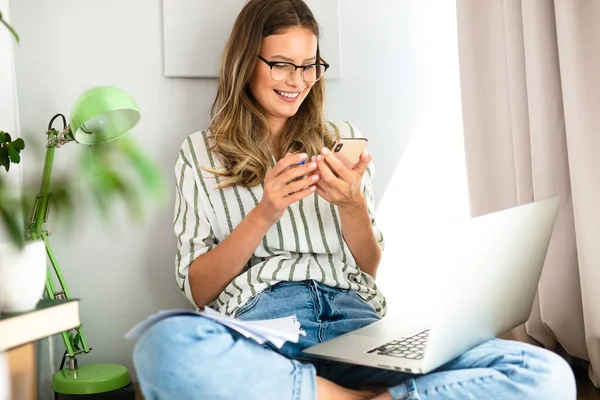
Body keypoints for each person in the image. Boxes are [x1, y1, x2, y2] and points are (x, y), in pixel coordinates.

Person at [132, 0, 576, 398]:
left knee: (542, 371)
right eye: (282, 64)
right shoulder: (199, 154)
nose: (298, 81)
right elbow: (200, 291)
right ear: (246, 61)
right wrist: (265, 212)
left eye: (309, 65)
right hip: (265, 330)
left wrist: (351, 204)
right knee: (162, 346)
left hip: (356, 323)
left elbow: (370, 266)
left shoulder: (339, 140)